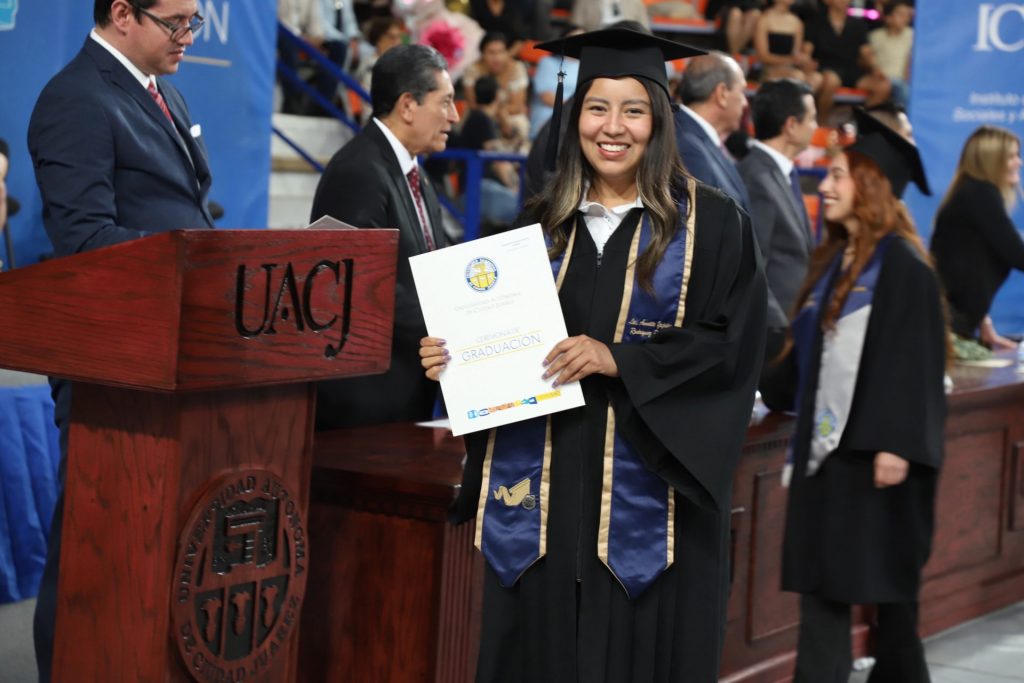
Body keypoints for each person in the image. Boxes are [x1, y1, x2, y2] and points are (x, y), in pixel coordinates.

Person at [420, 27, 767, 682]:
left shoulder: (715, 226)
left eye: (632, 110)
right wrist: (454, 359)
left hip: (653, 527)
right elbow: (503, 358)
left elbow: (734, 350)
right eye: (597, 108)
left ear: (658, 121)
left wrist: (622, 361)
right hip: (545, 519)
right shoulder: (538, 226)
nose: (612, 128)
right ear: (574, 116)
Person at [27, 1, 213, 680]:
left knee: (151, 549)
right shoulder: (76, 98)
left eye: (195, 22)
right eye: (177, 22)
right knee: (90, 545)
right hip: (113, 362)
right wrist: (197, 257)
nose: (188, 36)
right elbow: (86, 242)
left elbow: (183, 206)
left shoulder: (164, 90)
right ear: (122, 13)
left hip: (174, 352)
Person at [763, 108, 947, 683]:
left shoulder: (905, 268)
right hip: (829, 460)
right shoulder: (833, 264)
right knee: (826, 592)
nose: (827, 185)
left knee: (889, 605)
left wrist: (896, 447)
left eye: (840, 176)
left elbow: (916, 366)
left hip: (877, 464)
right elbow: (805, 360)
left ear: (870, 185)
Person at [310, 43, 457, 430]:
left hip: (404, 388)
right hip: (364, 403)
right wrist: (451, 325)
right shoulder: (357, 170)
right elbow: (357, 284)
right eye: (445, 102)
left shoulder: (415, 172)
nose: (454, 116)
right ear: (408, 105)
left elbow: (435, 262)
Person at [739, 78, 817, 362]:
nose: (816, 127)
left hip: (791, 329)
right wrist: (778, 330)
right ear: (791, 125)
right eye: (812, 118)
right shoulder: (757, 178)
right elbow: (752, 264)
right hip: (772, 337)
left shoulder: (780, 174)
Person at [931, 125, 1023, 352]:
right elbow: (1018, 255)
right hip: (945, 325)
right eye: (1011, 156)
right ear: (991, 159)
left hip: (948, 321)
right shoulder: (980, 194)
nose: (1019, 163)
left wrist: (983, 321)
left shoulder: (970, 191)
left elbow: (965, 263)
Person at [676, 52, 752, 211]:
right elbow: (702, 217)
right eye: (741, 92)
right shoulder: (687, 146)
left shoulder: (694, 137)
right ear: (722, 93)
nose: (745, 103)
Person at [805, 0, 891, 123]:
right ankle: (822, 123)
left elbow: (866, 51)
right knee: (832, 81)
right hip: (827, 67)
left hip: (852, 69)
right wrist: (807, 65)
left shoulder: (858, 24)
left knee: (883, 86)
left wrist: (876, 68)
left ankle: (865, 124)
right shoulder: (815, 23)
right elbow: (807, 50)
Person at [454, 75, 520, 229]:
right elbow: (499, 162)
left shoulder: (479, 117)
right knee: (527, 210)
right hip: (477, 189)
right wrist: (516, 188)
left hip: (478, 188)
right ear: (497, 95)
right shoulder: (481, 119)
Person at [461, 32, 530, 152]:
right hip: (481, 113)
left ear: (507, 52)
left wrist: (501, 115)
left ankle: (515, 159)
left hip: (509, 115)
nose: (497, 57)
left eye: (501, 52)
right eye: (491, 52)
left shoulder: (516, 68)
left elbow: (518, 106)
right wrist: (493, 112)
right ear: (482, 54)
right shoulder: (473, 70)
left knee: (521, 123)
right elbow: (473, 104)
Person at [753, 0, 822, 91]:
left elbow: (796, 53)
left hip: (791, 68)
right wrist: (790, 60)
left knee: (816, 78)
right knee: (797, 76)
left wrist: (804, 61)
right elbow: (763, 56)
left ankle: (804, 100)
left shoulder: (797, 22)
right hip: (769, 69)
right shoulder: (764, 19)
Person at [529, 24, 584, 139]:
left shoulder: (587, 65)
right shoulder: (547, 62)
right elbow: (546, 96)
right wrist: (574, 110)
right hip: (549, 115)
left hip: (578, 116)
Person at [868, 0, 913, 107]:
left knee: (905, 89)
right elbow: (867, 60)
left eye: (907, 15)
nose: (905, 18)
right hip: (882, 80)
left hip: (903, 81)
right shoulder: (875, 36)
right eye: (900, 14)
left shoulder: (912, 35)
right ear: (888, 18)